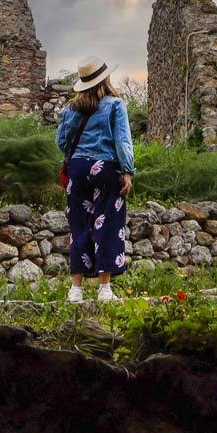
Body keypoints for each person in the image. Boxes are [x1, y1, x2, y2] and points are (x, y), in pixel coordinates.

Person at [55, 57, 135, 303]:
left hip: (78, 168)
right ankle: (105, 289)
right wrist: (128, 170)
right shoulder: (115, 105)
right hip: (106, 168)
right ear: (105, 79)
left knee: (79, 226)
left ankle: (75, 289)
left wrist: (78, 156)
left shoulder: (71, 109)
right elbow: (122, 141)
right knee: (108, 224)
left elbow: (61, 142)